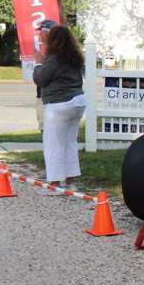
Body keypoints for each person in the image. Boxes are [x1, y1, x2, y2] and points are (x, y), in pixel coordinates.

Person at [32, 25, 86, 193]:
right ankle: (70, 179)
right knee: (69, 142)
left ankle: (55, 183)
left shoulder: (54, 58)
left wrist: (39, 64)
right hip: (77, 100)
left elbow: (40, 79)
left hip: (59, 104)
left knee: (53, 143)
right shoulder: (75, 56)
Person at [33, 19, 57, 180]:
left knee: (49, 134)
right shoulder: (55, 51)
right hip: (46, 97)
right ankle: (54, 169)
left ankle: (54, 172)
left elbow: (42, 78)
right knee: (49, 134)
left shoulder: (54, 53)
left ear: (47, 33)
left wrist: (39, 64)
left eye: (41, 32)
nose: (39, 35)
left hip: (49, 99)